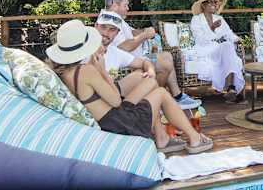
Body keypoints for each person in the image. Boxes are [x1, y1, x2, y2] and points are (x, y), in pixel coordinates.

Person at [47, 18, 213, 155]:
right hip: (119, 125)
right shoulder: (86, 71)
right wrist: (102, 71)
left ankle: (162, 137)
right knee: (161, 93)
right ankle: (195, 139)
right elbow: (115, 101)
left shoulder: (65, 72)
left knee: (150, 86)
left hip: (110, 120)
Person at [103, 0, 201, 110]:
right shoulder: (110, 22)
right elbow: (123, 47)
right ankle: (153, 100)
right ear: (114, 5)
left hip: (137, 59)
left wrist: (144, 31)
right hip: (130, 63)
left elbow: (131, 32)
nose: (128, 8)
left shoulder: (117, 19)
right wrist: (144, 35)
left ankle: (177, 96)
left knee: (167, 57)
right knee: (165, 60)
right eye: (125, 5)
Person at [189, 0, 245, 103]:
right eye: (210, 2)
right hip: (205, 50)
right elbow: (200, 40)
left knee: (228, 46)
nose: (214, 4)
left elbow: (229, 33)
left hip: (219, 48)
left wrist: (237, 39)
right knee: (228, 48)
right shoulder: (196, 19)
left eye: (215, 2)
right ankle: (231, 88)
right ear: (203, 5)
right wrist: (212, 28)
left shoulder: (219, 19)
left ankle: (231, 88)